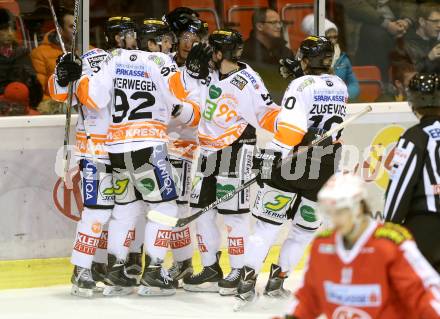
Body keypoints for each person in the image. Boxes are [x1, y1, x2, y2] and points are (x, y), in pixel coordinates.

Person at [60, 26, 201, 297]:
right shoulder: (161, 61)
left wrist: (77, 79)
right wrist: (192, 76)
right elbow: (182, 100)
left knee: (125, 208)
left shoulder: (115, 59)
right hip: (148, 146)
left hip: (116, 148)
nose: (171, 44)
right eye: (167, 40)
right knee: (165, 209)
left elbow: (93, 98)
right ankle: (154, 271)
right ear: (153, 43)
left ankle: (116, 269)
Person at [235, 36, 348, 309]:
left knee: (268, 224)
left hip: (295, 161)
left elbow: (291, 128)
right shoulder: (341, 85)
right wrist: (300, 74)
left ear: (306, 60)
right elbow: (319, 101)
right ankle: (278, 280)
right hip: (326, 165)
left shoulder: (300, 84)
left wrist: (270, 158)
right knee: (303, 230)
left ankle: (247, 281)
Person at [181, 29, 280, 295]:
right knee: (201, 212)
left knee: (233, 215)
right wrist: (189, 71)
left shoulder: (248, 80)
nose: (206, 54)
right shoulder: (208, 73)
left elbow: (269, 114)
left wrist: (294, 132)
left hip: (237, 149)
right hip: (207, 151)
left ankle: (238, 270)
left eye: (210, 49)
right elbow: (184, 96)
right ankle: (211, 268)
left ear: (219, 52)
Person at [48, 16, 139, 297]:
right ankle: (82, 269)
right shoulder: (94, 58)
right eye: (127, 33)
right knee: (98, 211)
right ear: (115, 37)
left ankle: (116, 268)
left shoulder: (143, 62)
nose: (133, 37)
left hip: (128, 149)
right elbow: (59, 93)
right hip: (97, 151)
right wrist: (63, 75)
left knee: (127, 211)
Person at [276, 173, 440, 319]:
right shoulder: (322, 246)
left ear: (359, 207)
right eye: (328, 212)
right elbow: (309, 297)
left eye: (340, 211)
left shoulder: (391, 244)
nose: (334, 219)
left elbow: (423, 294)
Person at [162, 8, 207, 286]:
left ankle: (182, 264)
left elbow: (199, 109)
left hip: (185, 147)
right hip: (155, 142)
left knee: (177, 207)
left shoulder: (204, 65)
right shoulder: (163, 60)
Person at [384, 73, 440, 273]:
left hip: (426, 225)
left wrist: (389, 226)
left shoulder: (414, 137)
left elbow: (400, 185)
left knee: (416, 294)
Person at [301, 14, 360, 101]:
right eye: (328, 37)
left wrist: (344, 95)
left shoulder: (343, 59)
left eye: (335, 37)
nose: (332, 40)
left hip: (340, 102)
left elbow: (354, 84)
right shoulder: (306, 59)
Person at [241, 7, 293, 104]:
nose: (279, 26)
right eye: (273, 23)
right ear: (260, 26)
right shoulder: (244, 52)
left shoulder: (286, 52)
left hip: (283, 106)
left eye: (279, 22)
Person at [0, 8, 42, 115]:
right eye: (4, 29)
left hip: (21, 107)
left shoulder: (22, 54)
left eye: (12, 29)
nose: (10, 33)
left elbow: (34, 89)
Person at [31, 8, 75, 101]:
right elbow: (39, 93)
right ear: (60, 29)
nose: (77, 30)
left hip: (86, 105)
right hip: (56, 106)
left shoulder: (90, 49)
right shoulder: (40, 54)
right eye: (72, 27)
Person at [394, 3, 440, 74]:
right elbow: (407, 75)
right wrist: (429, 58)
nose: (439, 25)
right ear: (422, 21)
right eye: (435, 21)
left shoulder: (437, 43)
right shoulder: (406, 44)